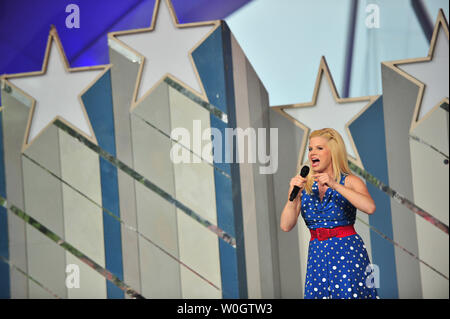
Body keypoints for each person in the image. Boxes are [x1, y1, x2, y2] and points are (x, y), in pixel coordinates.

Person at [280, 128, 379, 299]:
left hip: (347, 254)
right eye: (310, 149)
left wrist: (335, 185)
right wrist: (292, 196)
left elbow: (370, 207)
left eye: (319, 148)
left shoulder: (349, 181)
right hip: (317, 255)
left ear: (333, 151)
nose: (312, 153)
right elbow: (285, 225)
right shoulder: (305, 185)